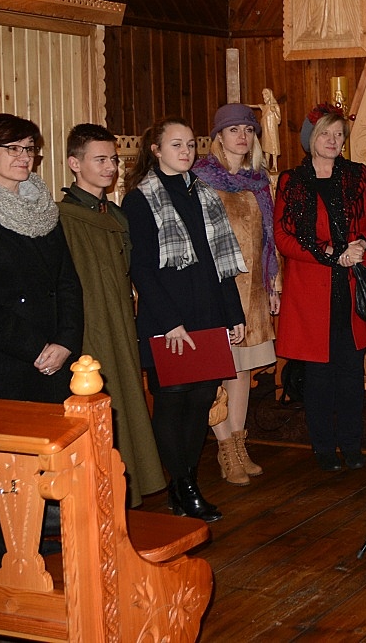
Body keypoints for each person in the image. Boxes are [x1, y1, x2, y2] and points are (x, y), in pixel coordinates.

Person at [122, 117, 247, 522]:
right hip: (169, 320)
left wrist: (233, 314)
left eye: (191, 144)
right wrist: (170, 322)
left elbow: (220, 261)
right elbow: (141, 269)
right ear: (156, 150)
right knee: (173, 403)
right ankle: (182, 486)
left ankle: (187, 481)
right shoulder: (139, 199)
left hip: (208, 313)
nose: (186, 151)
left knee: (201, 401)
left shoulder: (204, 193)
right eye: (176, 144)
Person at [274, 105, 366, 473]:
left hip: (352, 288)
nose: (333, 140)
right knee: (319, 377)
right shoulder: (291, 181)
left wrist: (361, 243)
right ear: (311, 138)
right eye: (326, 133)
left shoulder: (357, 176)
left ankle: (352, 445)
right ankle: (323, 447)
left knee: (351, 374)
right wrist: (325, 252)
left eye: (339, 134)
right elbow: (283, 237)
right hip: (311, 292)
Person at [58, 123, 165, 507]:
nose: (110, 167)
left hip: (121, 319)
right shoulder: (63, 217)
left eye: (114, 160)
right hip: (89, 325)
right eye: (100, 159)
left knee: (126, 399)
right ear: (75, 163)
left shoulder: (115, 214)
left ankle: (127, 486)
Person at [0, 114, 82, 407]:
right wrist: (35, 347)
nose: (25, 157)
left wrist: (65, 342)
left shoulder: (43, 210)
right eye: (13, 148)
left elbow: (67, 283)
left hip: (53, 360)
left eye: (29, 148)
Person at [192, 104, 281, 487]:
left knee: (242, 369)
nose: (242, 136)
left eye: (248, 129)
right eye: (233, 130)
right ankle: (225, 447)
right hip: (216, 288)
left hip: (253, 288)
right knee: (218, 369)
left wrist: (272, 282)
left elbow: (268, 239)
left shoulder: (258, 181)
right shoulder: (201, 179)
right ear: (218, 136)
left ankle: (240, 444)